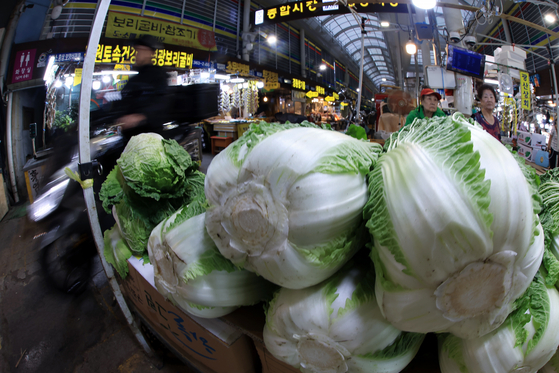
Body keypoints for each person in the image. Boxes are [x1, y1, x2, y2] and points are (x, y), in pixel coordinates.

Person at [116, 35, 169, 137]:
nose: (136, 54)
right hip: (130, 137)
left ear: (150, 53)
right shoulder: (134, 79)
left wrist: (140, 116)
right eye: (135, 50)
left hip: (151, 137)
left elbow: (162, 103)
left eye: (140, 50)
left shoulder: (159, 76)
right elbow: (123, 101)